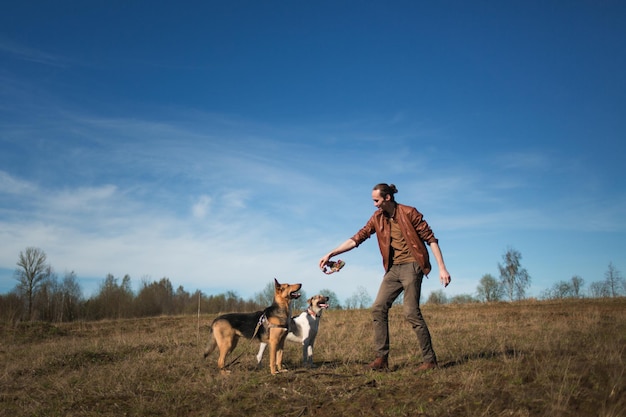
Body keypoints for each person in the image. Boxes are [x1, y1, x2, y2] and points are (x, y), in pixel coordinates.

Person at [319, 183, 451, 371]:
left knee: (411, 313)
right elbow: (357, 238)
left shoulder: (409, 212)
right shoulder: (377, 218)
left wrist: (442, 268)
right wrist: (331, 253)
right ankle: (381, 360)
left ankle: (430, 361)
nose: (374, 204)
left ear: (387, 198)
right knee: (378, 308)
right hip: (393, 269)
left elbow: (431, 239)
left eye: (376, 200)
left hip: (413, 265)